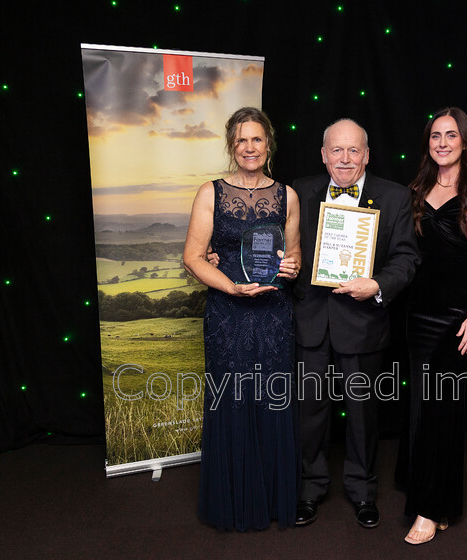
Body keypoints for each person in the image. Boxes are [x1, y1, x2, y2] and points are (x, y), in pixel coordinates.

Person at [292, 118, 421, 529]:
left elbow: (407, 258)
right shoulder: (297, 192)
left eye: (353, 151)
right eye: (336, 150)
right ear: (323, 155)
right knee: (310, 411)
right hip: (310, 319)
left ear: (367, 155)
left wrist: (378, 284)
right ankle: (309, 489)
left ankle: (363, 491)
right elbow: (281, 247)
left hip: (364, 322)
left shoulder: (396, 197)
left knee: (363, 413)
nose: (344, 158)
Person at [183, 107, 302, 531]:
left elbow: (295, 253)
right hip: (227, 312)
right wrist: (230, 287)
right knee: (232, 398)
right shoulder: (210, 192)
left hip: (273, 312)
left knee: (271, 397)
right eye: (241, 139)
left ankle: (271, 499)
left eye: (257, 139)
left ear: (268, 143)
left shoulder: (287, 195)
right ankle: (232, 502)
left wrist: (291, 267)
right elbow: (193, 257)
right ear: (231, 145)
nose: (249, 147)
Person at [397, 107, 467, 545]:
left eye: (451, 135)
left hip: (458, 319)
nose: (442, 142)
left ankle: (428, 509)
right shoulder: (415, 189)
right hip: (415, 314)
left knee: (442, 409)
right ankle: (438, 500)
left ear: (465, 142)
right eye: (435, 135)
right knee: (423, 407)